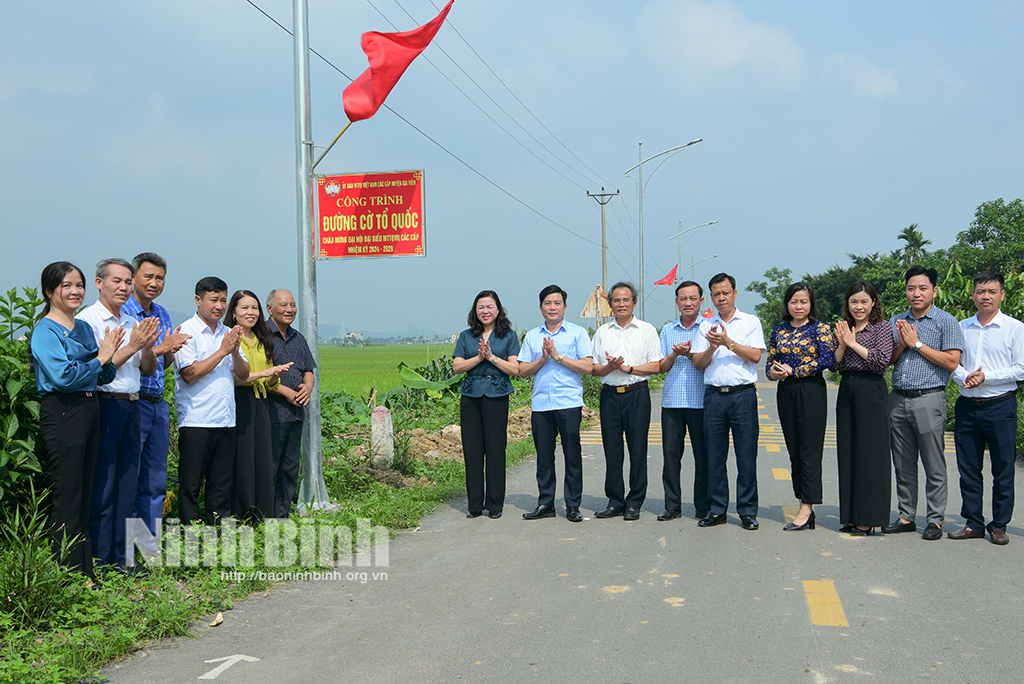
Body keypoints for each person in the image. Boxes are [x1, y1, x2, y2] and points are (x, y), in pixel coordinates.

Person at [31, 262, 121, 580]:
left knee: (84, 493)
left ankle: (85, 573)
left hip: (89, 407)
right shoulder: (45, 330)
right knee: (68, 495)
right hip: (63, 409)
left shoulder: (82, 328)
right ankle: (66, 576)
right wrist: (100, 357)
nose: (74, 292)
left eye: (79, 285)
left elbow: (104, 373)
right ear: (49, 291)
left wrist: (108, 355)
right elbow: (64, 376)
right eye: (66, 285)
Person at [77, 258, 160, 576]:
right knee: (105, 482)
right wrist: (134, 345)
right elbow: (100, 368)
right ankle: (99, 559)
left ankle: (123, 556)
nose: (124, 287)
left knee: (128, 483)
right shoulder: (89, 321)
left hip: (134, 403)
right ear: (99, 283)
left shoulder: (131, 319)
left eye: (128, 282)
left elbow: (148, 368)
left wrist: (148, 347)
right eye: (117, 281)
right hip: (106, 404)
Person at [885, 265, 964, 541]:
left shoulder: (946, 321)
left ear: (934, 290)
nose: (916, 293)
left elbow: (952, 361)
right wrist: (903, 344)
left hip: (929, 398)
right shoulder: (898, 320)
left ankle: (935, 520)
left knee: (933, 464)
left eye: (922, 288)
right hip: (898, 399)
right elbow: (890, 360)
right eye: (911, 288)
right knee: (903, 463)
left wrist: (917, 344)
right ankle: (906, 516)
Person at [121, 252, 191, 558]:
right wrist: (163, 346)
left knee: (155, 477)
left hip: (157, 402)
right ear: (133, 278)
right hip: (132, 403)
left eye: (159, 278)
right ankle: (123, 546)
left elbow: (163, 362)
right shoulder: (123, 311)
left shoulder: (162, 312)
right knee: (128, 476)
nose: (154, 283)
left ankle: (149, 546)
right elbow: (126, 358)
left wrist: (171, 349)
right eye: (148, 277)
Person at [948, 271, 1024, 545]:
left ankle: (999, 524)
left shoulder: (1015, 328)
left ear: (1002, 295)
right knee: (968, 467)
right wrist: (963, 377)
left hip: (1000, 405)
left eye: (992, 291)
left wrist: (985, 377)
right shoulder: (961, 325)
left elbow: (1021, 368)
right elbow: (952, 361)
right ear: (973, 295)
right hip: (967, 405)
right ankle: (973, 523)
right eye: (981, 291)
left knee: (1003, 467)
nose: (986, 297)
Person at [690, 273, 766, 531]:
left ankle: (747, 510)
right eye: (716, 294)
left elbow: (756, 356)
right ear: (710, 298)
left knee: (746, 457)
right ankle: (717, 509)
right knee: (715, 456)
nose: (721, 298)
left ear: (735, 293)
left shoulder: (750, 322)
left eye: (725, 293)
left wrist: (729, 343)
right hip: (714, 397)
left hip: (742, 396)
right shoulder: (705, 326)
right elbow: (698, 363)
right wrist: (713, 346)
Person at [174, 277, 250, 525]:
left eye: (223, 301)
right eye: (214, 300)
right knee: (191, 484)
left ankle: (218, 536)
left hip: (225, 420)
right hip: (197, 420)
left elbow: (244, 373)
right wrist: (222, 351)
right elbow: (189, 374)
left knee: (221, 484)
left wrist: (234, 351)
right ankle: (190, 537)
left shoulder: (229, 333)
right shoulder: (186, 332)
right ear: (198, 300)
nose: (219, 306)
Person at [518, 285, 592, 522]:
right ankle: (546, 503)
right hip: (541, 405)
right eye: (548, 303)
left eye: (557, 303)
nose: (552, 307)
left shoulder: (577, 333)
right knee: (544, 456)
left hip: (568, 402)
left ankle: (572, 505)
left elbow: (588, 366)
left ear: (565, 307)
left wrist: (559, 357)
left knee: (572, 455)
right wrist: (543, 358)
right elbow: (522, 371)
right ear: (541, 307)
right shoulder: (532, 335)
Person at [766, 282, 835, 531]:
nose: (799, 306)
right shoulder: (779, 331)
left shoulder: (821, 329)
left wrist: (794, 370)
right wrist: (776, 374)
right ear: (787, 304)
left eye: (803, 301)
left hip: (811, 391)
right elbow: (769, 365)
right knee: (794, 450)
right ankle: (803, 503)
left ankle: (807, 508)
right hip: (786, 391)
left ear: (811, 304)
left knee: (810, 450)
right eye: (794, 301)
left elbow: (826, 359)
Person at [591, 282, 661, 521]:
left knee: (638, 449)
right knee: (612, 449)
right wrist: (609, 367)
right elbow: (594, 369)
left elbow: (656, 365)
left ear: (634, 302)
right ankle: (615, 501)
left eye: (626, 300)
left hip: (637, 394)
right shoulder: (602, 332)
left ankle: (634, 502)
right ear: (610, 304)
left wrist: (628, 367)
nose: (621, 304)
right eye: (617, 300)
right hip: (610, 395)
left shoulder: (647, 330)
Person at [830, 282, 894, 535]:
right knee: (848, 452)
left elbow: (881, 362)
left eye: (864, 301)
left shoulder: (882, 328)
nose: (859, 306)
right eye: (854, 301)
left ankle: (868, 518)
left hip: (871, 390)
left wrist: (853, 343)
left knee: (870, 455)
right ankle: (851, 515)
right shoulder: (844, 328)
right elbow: (833, 366)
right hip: (847, 388)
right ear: (847, 304)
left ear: (874, 303)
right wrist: (843, 343)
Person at [452, 290, 521, 519]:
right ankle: (474, 506)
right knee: (472, 451)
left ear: (498, 310)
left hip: (497, 395)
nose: (485, 311)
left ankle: (495, 505)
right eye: (481, 307)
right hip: (470, 396)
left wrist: (491, 358)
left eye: (489, 306)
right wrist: (479, 358)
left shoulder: (508, 336)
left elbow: (515, 369)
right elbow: (457, 367)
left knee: (495, 449)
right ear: (475, 310)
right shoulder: (465, 336)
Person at [226, 290, 292, 523]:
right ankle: (243, 516)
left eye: (254, 308)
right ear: (233, 312)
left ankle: (263, 515)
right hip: (240, 401)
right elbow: (234, 377)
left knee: (263, 460)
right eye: (244, 308)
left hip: (261, 402)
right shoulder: (230, 339)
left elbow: (270, 381)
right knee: (243, 461)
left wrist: (275, 374)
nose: (251, 312)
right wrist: (265, 372)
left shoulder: (262, 339)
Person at [658, 280, 709, 522]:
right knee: (670, 456)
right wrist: (674, 353)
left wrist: (690, 354)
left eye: (692, 298)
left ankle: (703, 506)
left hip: (701, 403)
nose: (687, 303)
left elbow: (708, 362)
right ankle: (672, 505)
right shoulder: (668, 330)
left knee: (703, 457)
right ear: (677, 301)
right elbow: (661, 367)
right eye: (682, 298)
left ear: (701, 301)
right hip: (672, 403)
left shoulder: (708, 329)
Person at [265, 289, 317, 518]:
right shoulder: (261, 336)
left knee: (290, 466)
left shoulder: (298, 337)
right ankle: (266, 514)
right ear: (270, 309)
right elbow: (259, 375)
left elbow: (308, 370)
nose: (289, 310)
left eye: (293, 305)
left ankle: (282, 513)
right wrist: (286, 392)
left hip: (296, 412)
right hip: (271, 411)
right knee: (271, 465)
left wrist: (308, 386)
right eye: (283, 305)